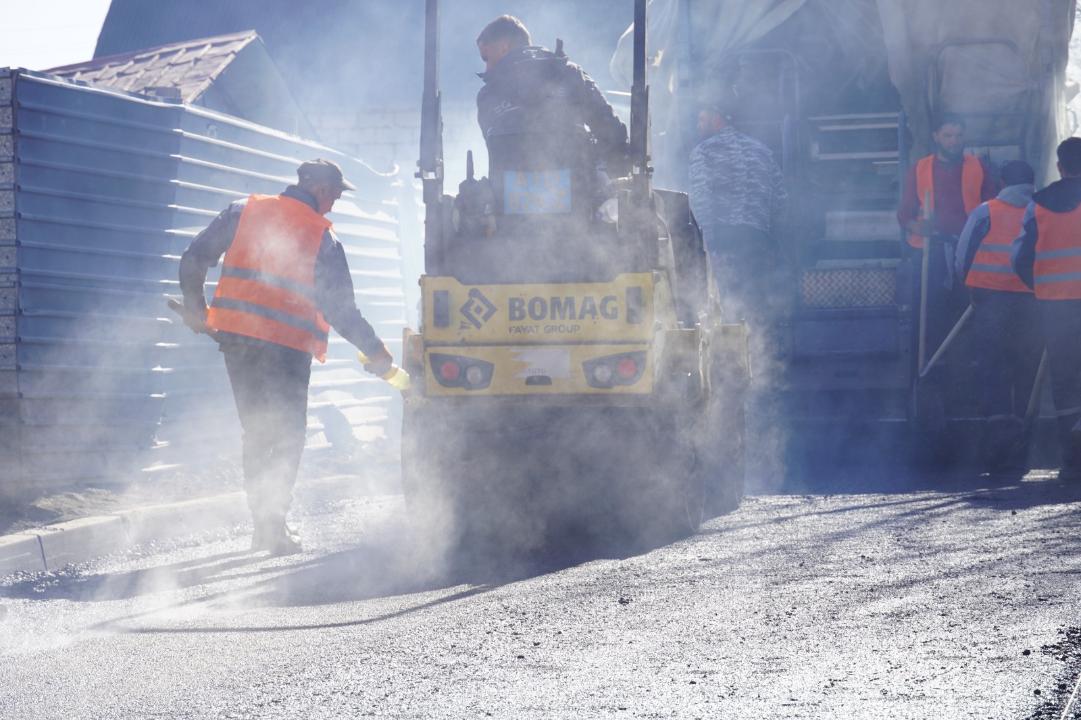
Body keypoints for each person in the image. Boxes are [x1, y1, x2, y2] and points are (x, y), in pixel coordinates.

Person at [178, 159, 395, 554]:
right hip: (287, 349)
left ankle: (265, 523)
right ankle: (271, 524)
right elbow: (340, 309)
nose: (333, 205)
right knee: (288, 434)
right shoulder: (321, 236)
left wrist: (196, 307)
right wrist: (376, 352)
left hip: (239, 342)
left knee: (258, 431)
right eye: (335, 195)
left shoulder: (242, 210)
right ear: (321, 189)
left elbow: (194, 257)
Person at [475, 15, 628, 218]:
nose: (487, 68)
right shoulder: (571, 75)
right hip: (579, 213)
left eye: (486, 58)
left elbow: (493, 147)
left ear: (503, 47)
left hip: (510, 221)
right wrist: (619, 173)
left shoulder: (488, 95)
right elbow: (612, 133)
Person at [954, 160, 1041, 460]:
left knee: (993, 362)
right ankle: (1024, 428)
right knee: (1026, 363)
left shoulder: (985, 211)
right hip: (1032, 299)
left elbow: (963, 255)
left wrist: (967, 287)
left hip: (990, 298)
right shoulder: (1043, 211)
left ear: (1002, 183)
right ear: (1033, 183)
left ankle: (998, 430)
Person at [898, 114, 998, 353]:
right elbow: (904, 214)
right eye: (948, 136)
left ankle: (966, 360)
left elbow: (995, 205)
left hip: (968, 251)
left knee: (967, 309)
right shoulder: (919, 169)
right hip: (929, 253)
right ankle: (930, 362)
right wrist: (915, 227)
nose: (954, 141)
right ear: (936, 137)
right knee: (931, 312)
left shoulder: (978, 166)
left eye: (959, 135)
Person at [1012, 138, 1081, 478]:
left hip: (1056, 307)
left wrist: (1041, 288)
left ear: (1059, 166)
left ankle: (1072, 461)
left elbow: (1020, 258)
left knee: (1066, 381)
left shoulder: (1037, 204)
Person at [687, 102, 788, 326]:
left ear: (717, 119)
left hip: (723, 243)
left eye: (701, 120)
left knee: (727, 308)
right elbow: (780, 200)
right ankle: (761, 355)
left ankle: (733, 357)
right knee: (757, 307)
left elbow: (700, 202)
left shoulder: (703, 152)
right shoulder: (763, 152)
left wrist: (708, 246)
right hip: (758, 243)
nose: (698, 126)